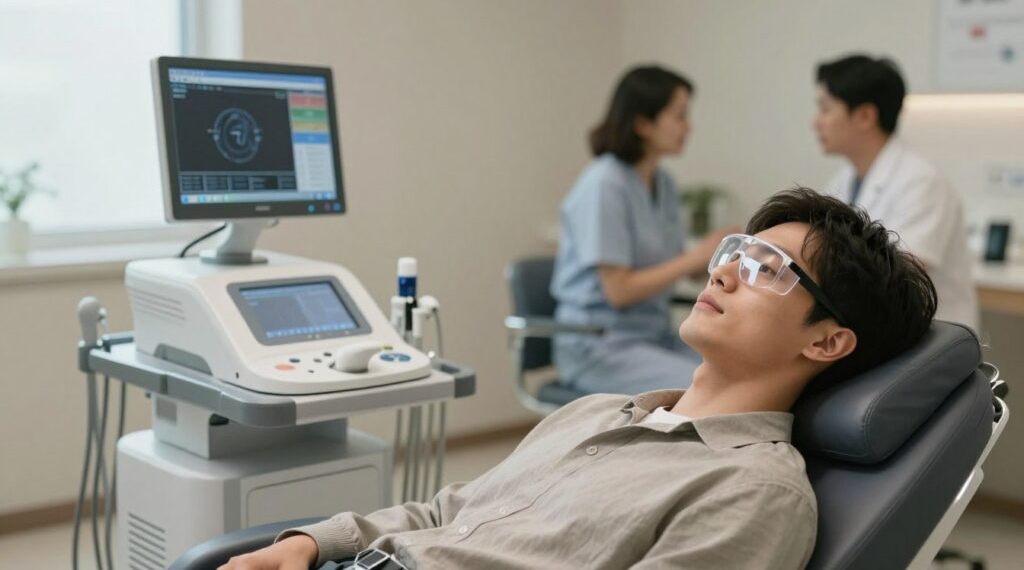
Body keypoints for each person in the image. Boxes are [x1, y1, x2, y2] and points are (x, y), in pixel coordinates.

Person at [220, 188, 938, 570]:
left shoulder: (754, 491)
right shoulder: (596, 411)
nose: (720, 270)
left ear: (828, 339)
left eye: (766, 269)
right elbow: (447, 510)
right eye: (734, 251)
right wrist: (310, 543)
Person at [550, 65, 737, 395]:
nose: (688, 127)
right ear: (642, 123)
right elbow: (619, 291)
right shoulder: (604, 184)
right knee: (713, 389)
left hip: (654, 337)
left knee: (744, 368)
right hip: (600, 346)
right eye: (679, 116)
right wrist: (696, 255)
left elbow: (679, 266)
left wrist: (720, 257)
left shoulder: (662, 183)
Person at [814, 53, 978, 330]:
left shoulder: (921, 182)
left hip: (929, 340)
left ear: (865, 116)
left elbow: (899, 274)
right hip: (877, 329)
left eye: (826, 109)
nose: (816, 122)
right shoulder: (845, 179)